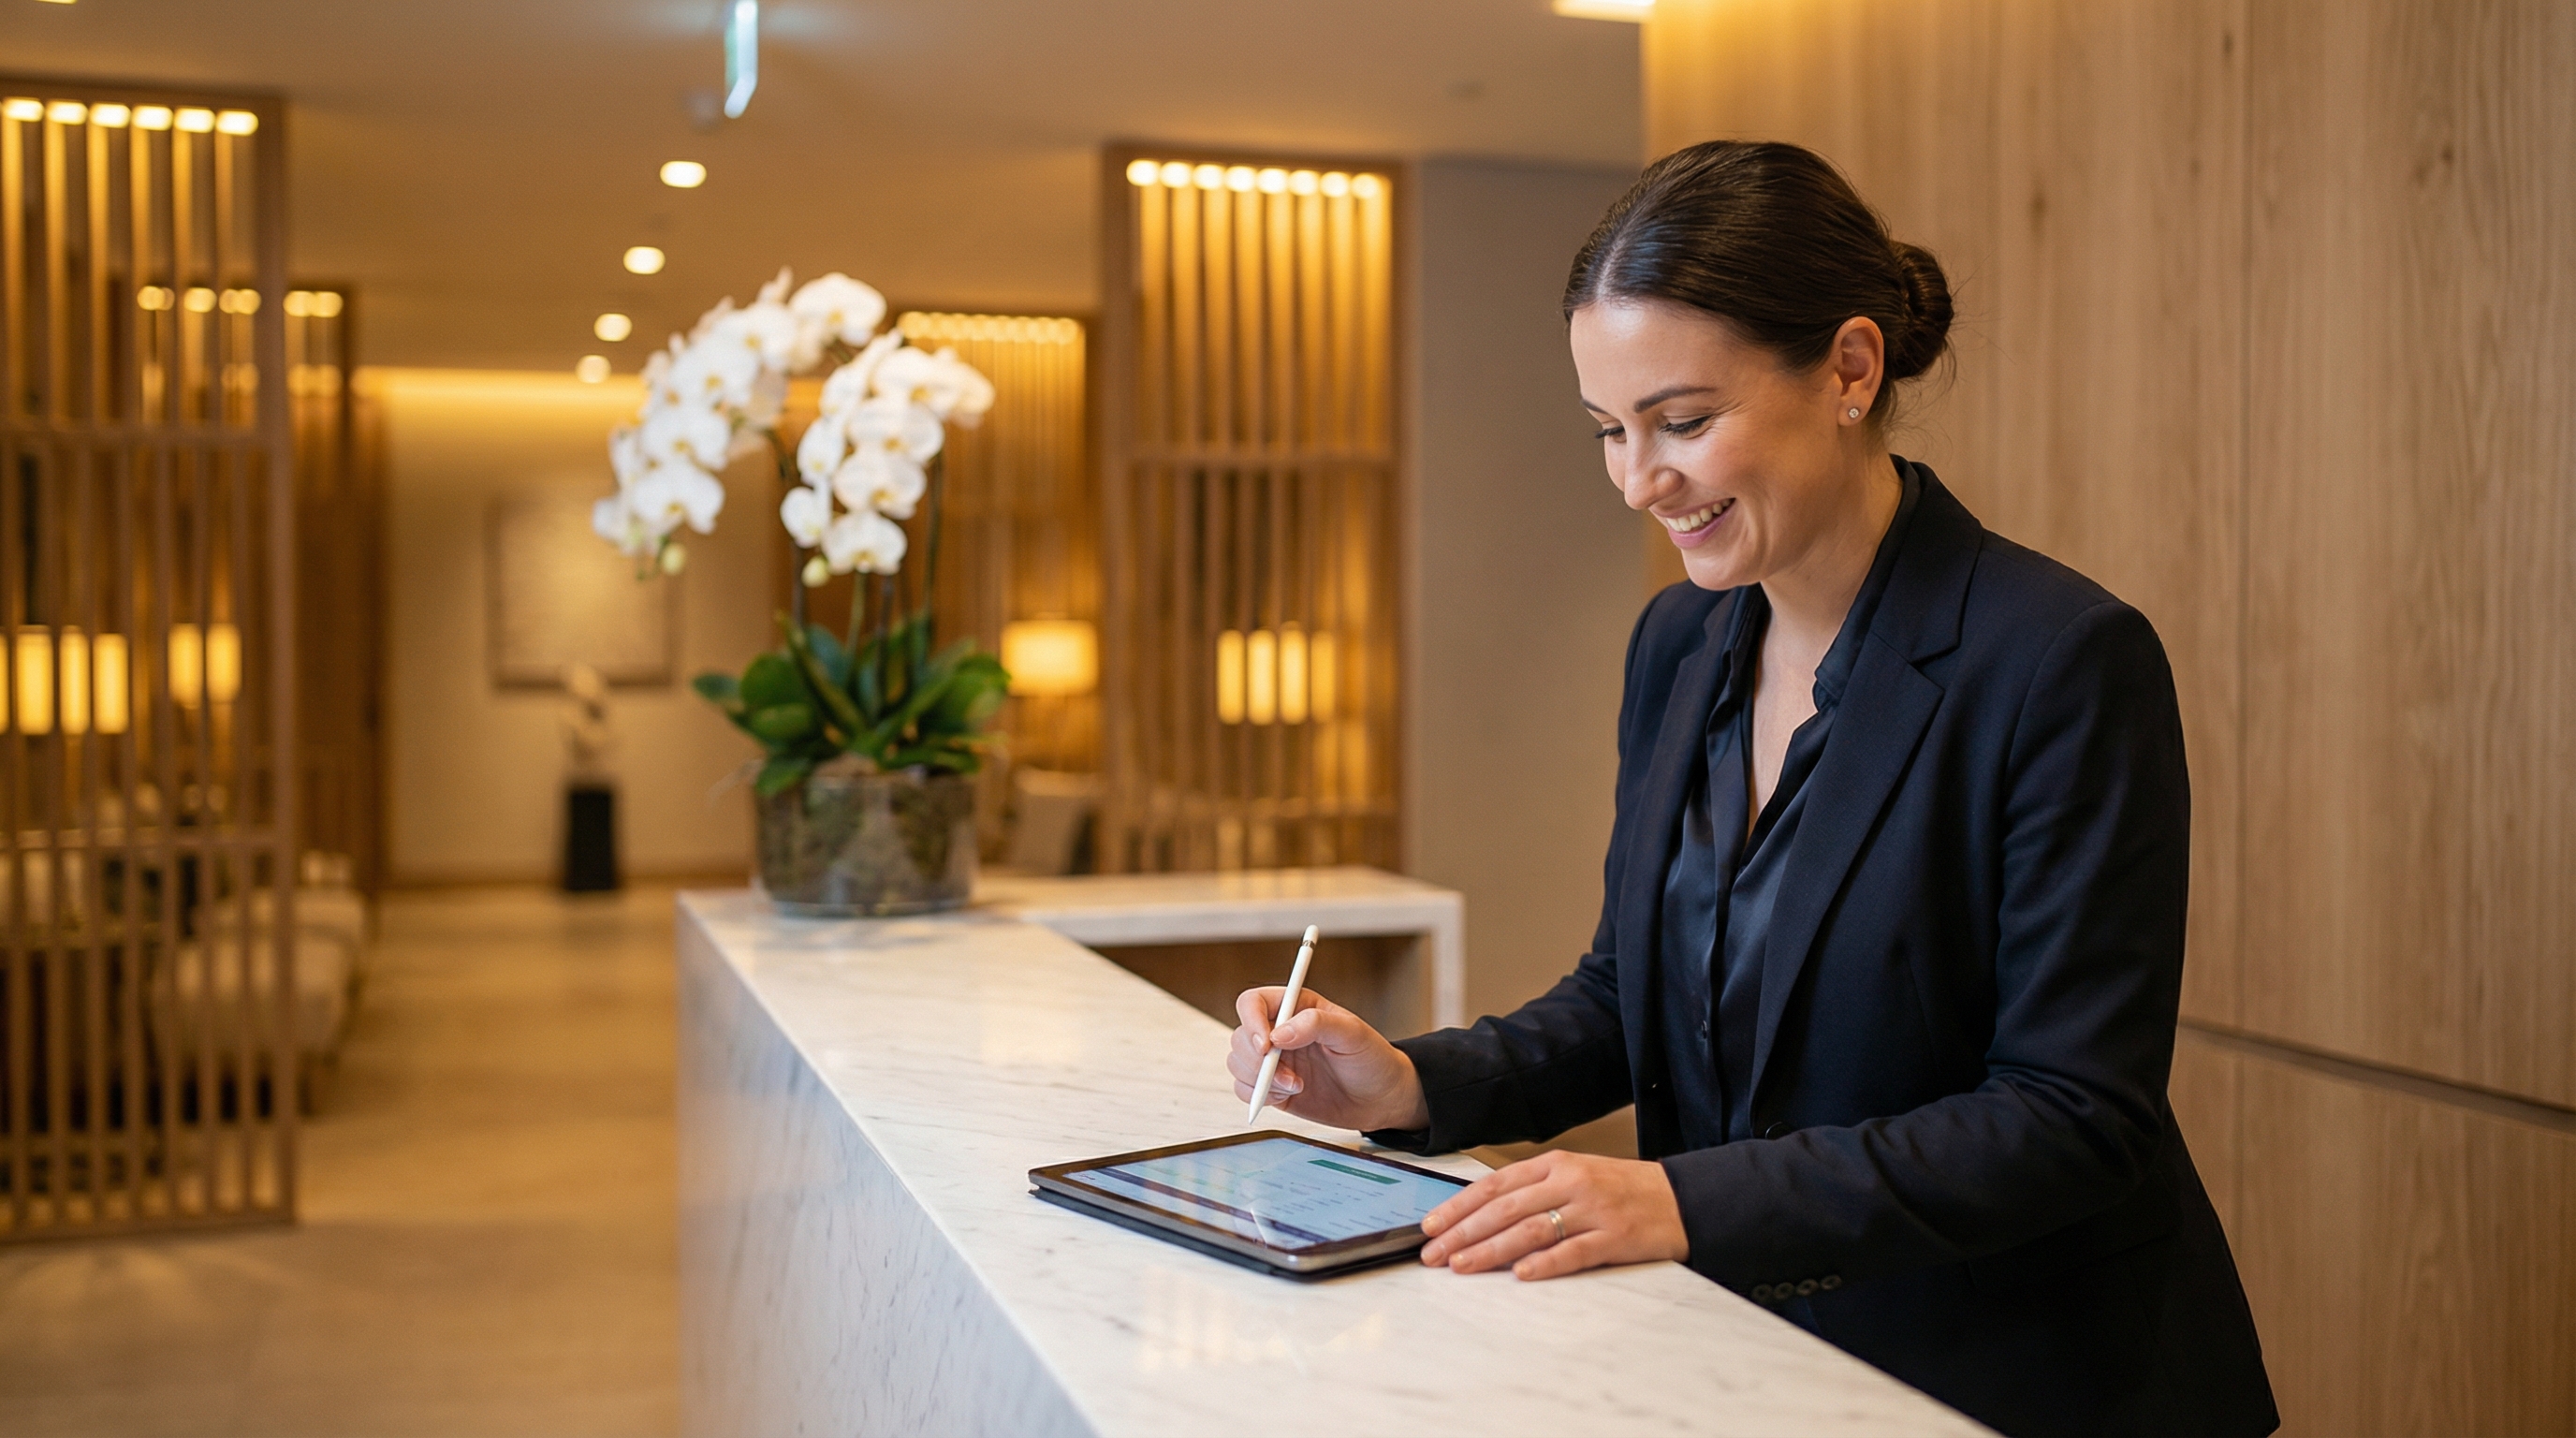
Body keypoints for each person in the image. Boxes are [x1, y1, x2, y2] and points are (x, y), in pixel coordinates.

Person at [1226, 140, 2277, 1438]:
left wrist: (1681, 1204)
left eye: (1682, 422)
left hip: (2023, 1382)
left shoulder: (2058, 659)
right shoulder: (1678, 644)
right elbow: (1630, 996)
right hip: (1749, 1365)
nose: (1636, 481)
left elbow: (2071, 1119)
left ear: (1849, 369)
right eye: (1610, 431)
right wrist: (1412, 1087)